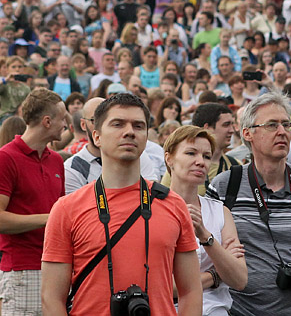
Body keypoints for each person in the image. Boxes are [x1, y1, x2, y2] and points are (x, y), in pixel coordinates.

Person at [41, 93, 202, 315]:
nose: (129, 132)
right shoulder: (67, 209)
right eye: (117, 124)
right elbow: (51, 298)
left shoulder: (173, 204)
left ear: (146, 137)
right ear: (96, 137)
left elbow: (191, 290)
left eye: (138, 126)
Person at [207, 92, 291, 316]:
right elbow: (207, 258)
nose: (283, 132)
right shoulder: (224, 186)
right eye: (272, 125)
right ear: (247, 134)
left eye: (287, 125)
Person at [0, 88, 67, 316]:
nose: (66, 125)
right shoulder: (4, 159)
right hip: (22, 272)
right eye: (62, 119)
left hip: (55, 269)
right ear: (47, 121)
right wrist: (50, 219)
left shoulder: (57, 161)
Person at [164, 125, 248, 316]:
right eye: (191, 153)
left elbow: (239, 279)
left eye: (207, 156)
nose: (200, 162)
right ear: (169, 158)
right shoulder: (151, 209)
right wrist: (214, 275)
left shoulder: (220, 211)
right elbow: (157, 284)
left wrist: (205, 236)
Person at [162, 103, 239, 194]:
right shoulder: (179, 170)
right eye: (226, 125)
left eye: (207, 156)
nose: (231, 130)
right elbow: (164, 199)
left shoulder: (235, 166)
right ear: (207, 128)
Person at [63, 97, 105, 194]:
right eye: (94, 120)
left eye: (108, 120)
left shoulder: (135, 156)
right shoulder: (73, 168)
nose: (102, 126)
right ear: (83, 124)